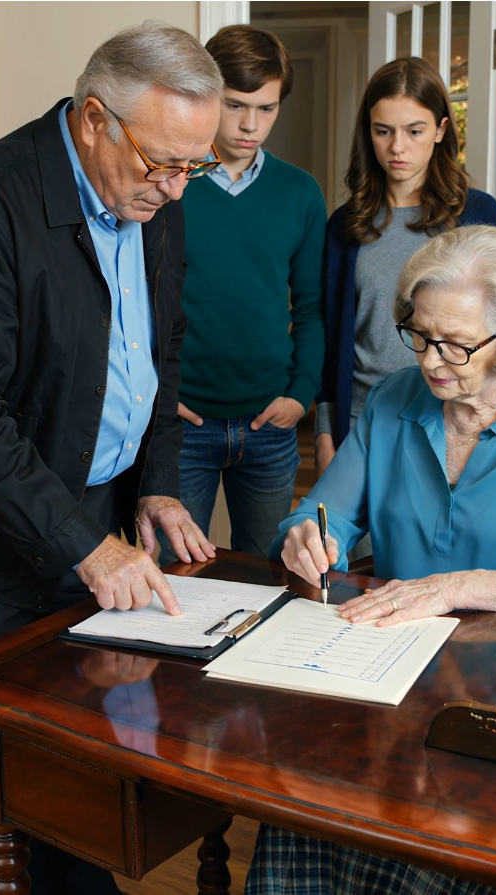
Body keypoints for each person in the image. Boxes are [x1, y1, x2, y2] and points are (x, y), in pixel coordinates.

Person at [0, 22, 224, 895]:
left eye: (196, 167)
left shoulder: (157, 201)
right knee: (2, 786)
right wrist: (89, 542)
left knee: (86, 759)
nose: (177, 189)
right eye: (162, 163)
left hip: (94, 518)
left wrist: (153, 486)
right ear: (93, 119)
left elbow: (161, 356)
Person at [246, 225, 496, 895]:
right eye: (420, 335)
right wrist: (304, 535)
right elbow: (326, 512)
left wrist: (451, 587)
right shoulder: (395, 401)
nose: (431, 361)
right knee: (296, 801)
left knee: (441, 842)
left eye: (456, 343)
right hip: (381, 682)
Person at [158, 24, 327, 563]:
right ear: (206, 96)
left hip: (270, 425)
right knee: (176, 581)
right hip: (184, 426)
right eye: (235, 105)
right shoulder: (167, 182)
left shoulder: (299, 193)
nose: (251, 125)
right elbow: (132, 298)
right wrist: (161, 393)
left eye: (267, 108)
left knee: (272, 576)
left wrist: (300, 394)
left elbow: (313, 307)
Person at [315, 56, 496, 479]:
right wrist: (325, 432)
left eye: (414, 131)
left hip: (455, 417)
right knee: (349, 544)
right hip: (364, 418)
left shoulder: (478, 213)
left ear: (440, 130)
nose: (397, 147)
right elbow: (330, 334)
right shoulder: (345, 226)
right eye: (382, 131)